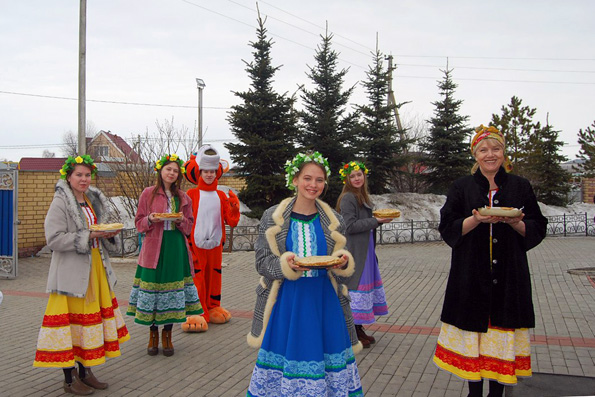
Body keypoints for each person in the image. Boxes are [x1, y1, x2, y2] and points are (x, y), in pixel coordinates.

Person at [433, 125, 548, 397]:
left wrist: (516, 223)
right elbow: (447, 226)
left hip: (509, 277)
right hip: (470, 276)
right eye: (483, 149)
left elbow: (538, 226)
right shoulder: (461, 187)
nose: (490, 154)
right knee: (474, 340)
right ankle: (474, 391)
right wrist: (476, 219)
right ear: (475, 154)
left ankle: (496, 392)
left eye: (495, 149)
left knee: (500, 335)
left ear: (503, 152)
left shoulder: (520, 186)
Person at [246, 152, 363, 396]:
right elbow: (262, 262)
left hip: (325, 302)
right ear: (295, 179)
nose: (313, 185)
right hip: (287, 302)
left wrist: (341, 263)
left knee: (327, 362)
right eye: (307, 178)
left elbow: (342, 267)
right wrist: (286, 265)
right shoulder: (273, 216)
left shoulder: (334, 220)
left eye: (319, 180)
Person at [33, 155, 130, 395]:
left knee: (88, 324)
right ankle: (69, 378)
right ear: (68, 176)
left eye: (87, 175)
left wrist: (107, 235)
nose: (84, 179)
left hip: (94, 269)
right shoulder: (60, 202)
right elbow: (53, 239)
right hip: (70, 275)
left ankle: (85, 372)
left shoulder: (90, 200)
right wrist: (87, 237)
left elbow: (97, 229)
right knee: (71, 326)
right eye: (79, 175)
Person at [127, 154, 204, 356]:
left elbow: (189, 226)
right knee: (154, 292)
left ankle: (168, 335)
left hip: (175, 247)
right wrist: (150, 219)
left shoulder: (183, 197)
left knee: (172, 292)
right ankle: (153, 335)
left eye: (175, 171)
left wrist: (180, 221)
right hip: (154, 248)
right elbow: (139, 223)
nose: (171, 173)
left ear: (179, 175)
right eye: (168, 169)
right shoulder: (148, 194)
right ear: (160, 171)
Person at [181, 145, 240, 330]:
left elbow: (232, 221)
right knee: (197, 278)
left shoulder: (221, 195)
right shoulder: (191, 194)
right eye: (205, 171)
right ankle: (197, 312)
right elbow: (184, 220)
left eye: (212, 171)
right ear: (199, 172)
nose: (209, 175)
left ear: (217, 172)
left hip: (215, 245)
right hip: (196, 244)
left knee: (214, 276)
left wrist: (234, 207)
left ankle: (213, 307)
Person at [336, 161, 391, 348]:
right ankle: (352, 332)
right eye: (352, 176)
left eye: (359, 174)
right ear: (347, 179)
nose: (357, 178)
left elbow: (366, 222)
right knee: (355, 290)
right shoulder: (348, 197)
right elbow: (349, 226)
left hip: (365, 251)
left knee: (361, 289)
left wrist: (378, 221)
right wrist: (376, 221)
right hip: (355, 253)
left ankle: (358, 329)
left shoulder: (362, 196)